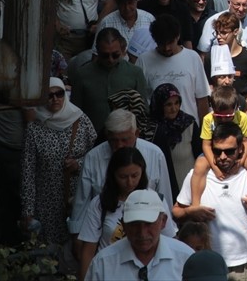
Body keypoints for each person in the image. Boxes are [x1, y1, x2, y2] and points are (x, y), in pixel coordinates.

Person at [174, 122, 247, 281]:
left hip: (246, 266)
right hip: (206, 266)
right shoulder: (196, 175)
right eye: (217, 151)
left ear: (240, 150)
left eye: (229, 151)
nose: (223, 156)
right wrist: (190, 212)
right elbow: (176, 212)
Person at [20, 77, 97, 251]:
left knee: (77, 248)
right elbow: (28, 171)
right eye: (49, 95)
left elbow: (98, 156)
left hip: (77, 199)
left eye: (59, 94)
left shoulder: (81, 120)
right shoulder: (35, 127)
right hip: (46, 203)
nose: (55, 99)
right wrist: (28, 211)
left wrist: (79, 163)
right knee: (48, 254)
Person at [76, 146, 178, 279]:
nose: (130, 182)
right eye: (123, 176)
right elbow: (88, 250)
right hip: (111, 269)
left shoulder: (155, 200)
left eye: (135, 175)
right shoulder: (99, 204)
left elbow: (170, 240)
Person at [70, 108, 172, 239]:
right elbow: (81, 204)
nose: (119, 145)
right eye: (114, 140)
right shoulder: (93, 157)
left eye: (125, 139)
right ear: (107, 135)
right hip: (103, 235)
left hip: (146, 234)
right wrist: (76, 237)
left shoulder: (155, 154)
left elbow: (165, 199)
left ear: (136, 133)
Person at [83, 189, 194, 280]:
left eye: (149, 224)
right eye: (135, 225)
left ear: (163, 221)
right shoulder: (102, 263)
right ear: (123, 225)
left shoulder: (186, 258)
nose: (142, 233)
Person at [146, 82, 199, 199]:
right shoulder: (150, 129)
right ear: (159, 105)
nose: (174, 108)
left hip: (189, 190)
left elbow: (200, 155)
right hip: (161, 190)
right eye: (168, 104)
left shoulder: (188, 124)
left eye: (177, 103)